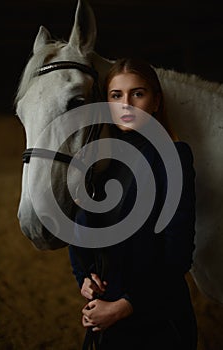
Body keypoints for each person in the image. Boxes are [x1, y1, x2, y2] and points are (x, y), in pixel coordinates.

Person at [68, 58, 197, 349]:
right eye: (116, 95)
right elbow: (85, 239)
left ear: (155, 102)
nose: (126, 104)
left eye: (138, 93)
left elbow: (177, 255)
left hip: (156, 320)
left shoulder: (173, 157)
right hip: (105, 319)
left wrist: (124, 306)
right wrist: (84, 277)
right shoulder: (101, 163)